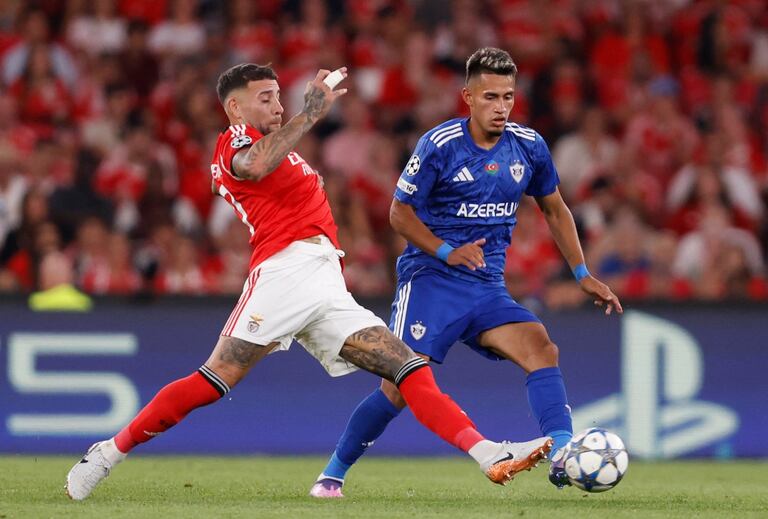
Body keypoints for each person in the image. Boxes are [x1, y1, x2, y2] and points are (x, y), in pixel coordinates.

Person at [65, 63, 552, 500]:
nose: (277, 105)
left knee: (407, 366)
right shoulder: (233, 141)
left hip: (324, 280)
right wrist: (310, 112)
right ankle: (108, 453)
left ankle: (488, 453)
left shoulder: (281, 149)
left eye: (280, 96)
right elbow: (253, 165)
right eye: (266, 97)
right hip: (283, 272)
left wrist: (302, 118)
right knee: (214, 379)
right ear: (235, 106)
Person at [310, 48, 623, 498]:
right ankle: (332, 475)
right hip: (430, 281)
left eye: (508, 97)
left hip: (486, 286)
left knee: (541, 347)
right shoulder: (439, 145)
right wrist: (445, 251)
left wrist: (581, 272)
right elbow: (399, 214)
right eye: (491, 96)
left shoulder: (529, 146)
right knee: (398, 387)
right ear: (468, 97)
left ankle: (561, 450)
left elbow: (554, 209)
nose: (501, 107)